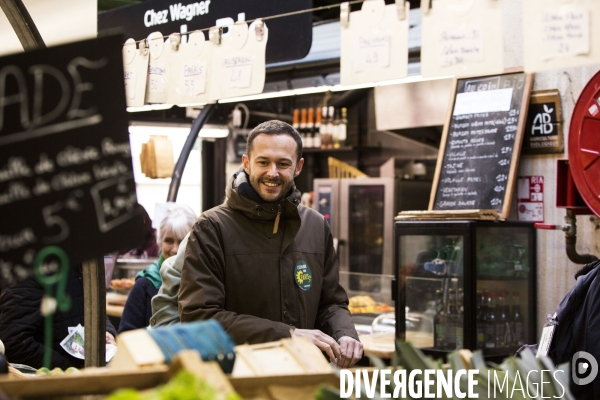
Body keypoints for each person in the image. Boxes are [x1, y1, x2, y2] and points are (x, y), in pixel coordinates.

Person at [179, 120, 363, 368]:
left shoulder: (316, 226)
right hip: (239, 379)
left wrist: (345, 333)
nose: (272, 173)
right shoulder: (212, 227)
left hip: (304, 375)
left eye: (283, 164)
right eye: (263, 162)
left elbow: (331, 303)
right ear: (246, 163)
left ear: (298, 167)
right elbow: (199, 317)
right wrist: (287, 334)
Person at [0, 265, 117, 369]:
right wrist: (67, 367)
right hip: (50, 381)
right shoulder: (31, 275)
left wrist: (107, 330)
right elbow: (15, 343)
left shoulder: (82, 266)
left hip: (85, 369)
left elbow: (93, 306)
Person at [118, 204, 197, 333]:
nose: (175, 249)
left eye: (182, 242)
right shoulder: (145, 284)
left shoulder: (203, 280)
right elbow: (126, 335)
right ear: (160, 242)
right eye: (169, 241)